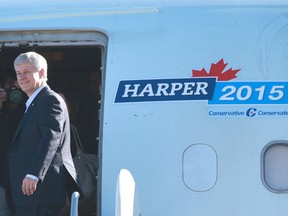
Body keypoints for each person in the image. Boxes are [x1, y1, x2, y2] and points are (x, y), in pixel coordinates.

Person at [7, 51, 82, 216]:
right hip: (31, 195)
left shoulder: (49, 99)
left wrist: (34, 173)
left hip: (40, 194)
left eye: (27, 72)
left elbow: (50, 138)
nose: (22, 77)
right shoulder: (35, 101)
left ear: (41, 73)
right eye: (19, 73)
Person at [0, 71, 27, 216]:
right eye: (10, 85)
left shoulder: (29, 108)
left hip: (24, 180)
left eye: (17, 85)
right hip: (2, 180)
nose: (13, 90)